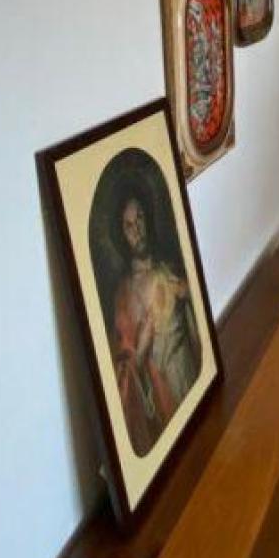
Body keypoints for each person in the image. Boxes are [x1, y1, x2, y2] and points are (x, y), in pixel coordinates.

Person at [109, 191, 201, 456]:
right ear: (122, 235)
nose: (137, 229)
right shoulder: (124, 295)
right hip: (163, 396)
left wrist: (187, 293)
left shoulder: (169, 269)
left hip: (191, 373)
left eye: (139, 218)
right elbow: (125, 370)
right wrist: (142, 346)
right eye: (128, 226)